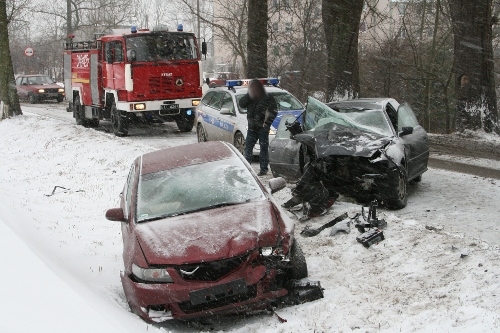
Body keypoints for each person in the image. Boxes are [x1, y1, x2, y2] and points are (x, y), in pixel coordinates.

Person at [238, 79, 278, 176]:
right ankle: (247, 167)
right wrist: (249, 96)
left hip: (263, 128)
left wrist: (267, 124)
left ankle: (263, 169)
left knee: (263, 148)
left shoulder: (267, 98)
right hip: (252, 128)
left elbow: (274, 111)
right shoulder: (250, 97)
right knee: (248, 148)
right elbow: (241, 104)